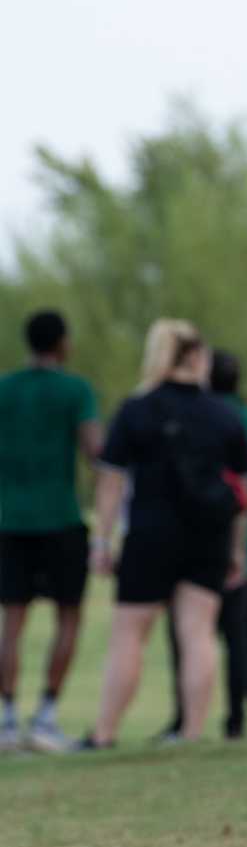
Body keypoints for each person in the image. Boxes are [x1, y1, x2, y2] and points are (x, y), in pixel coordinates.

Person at [81, 321, 247, 748]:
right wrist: (237, 548)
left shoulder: (136, 409)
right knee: (197, 632)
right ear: (199, 356)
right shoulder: (223, 412)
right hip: (209, 534)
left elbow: (110, 481)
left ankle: (105, 734)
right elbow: (243, 489)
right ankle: (192, 734)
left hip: (149, 534)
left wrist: (102, 540)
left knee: (129, 634)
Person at [163, 350, 247, 739]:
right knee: (246, 635)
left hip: (211, 542)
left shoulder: (207, 420)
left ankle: (188, 719)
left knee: (192, 634)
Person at [0, 310, 102, 752]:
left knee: (12, 622)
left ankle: (5, 719)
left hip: (9, 518)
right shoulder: (75, 390)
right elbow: (95, 450)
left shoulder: (5, 389)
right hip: (60, 517)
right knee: (68, 617)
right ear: (62, 343)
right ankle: (45, 717)